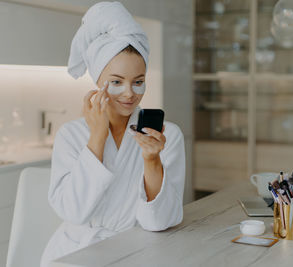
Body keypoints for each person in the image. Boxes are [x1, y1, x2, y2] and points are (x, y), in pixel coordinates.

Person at [40, 2, 185, 266]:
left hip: (137, 253)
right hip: (74, 255)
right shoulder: (71, 135)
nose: (130, 93)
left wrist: (152, 160)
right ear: (98, 81)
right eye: (116, 82)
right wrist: (97, 136)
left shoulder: (166, 136)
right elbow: (74, 212)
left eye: (138, 81)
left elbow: (160, 221)